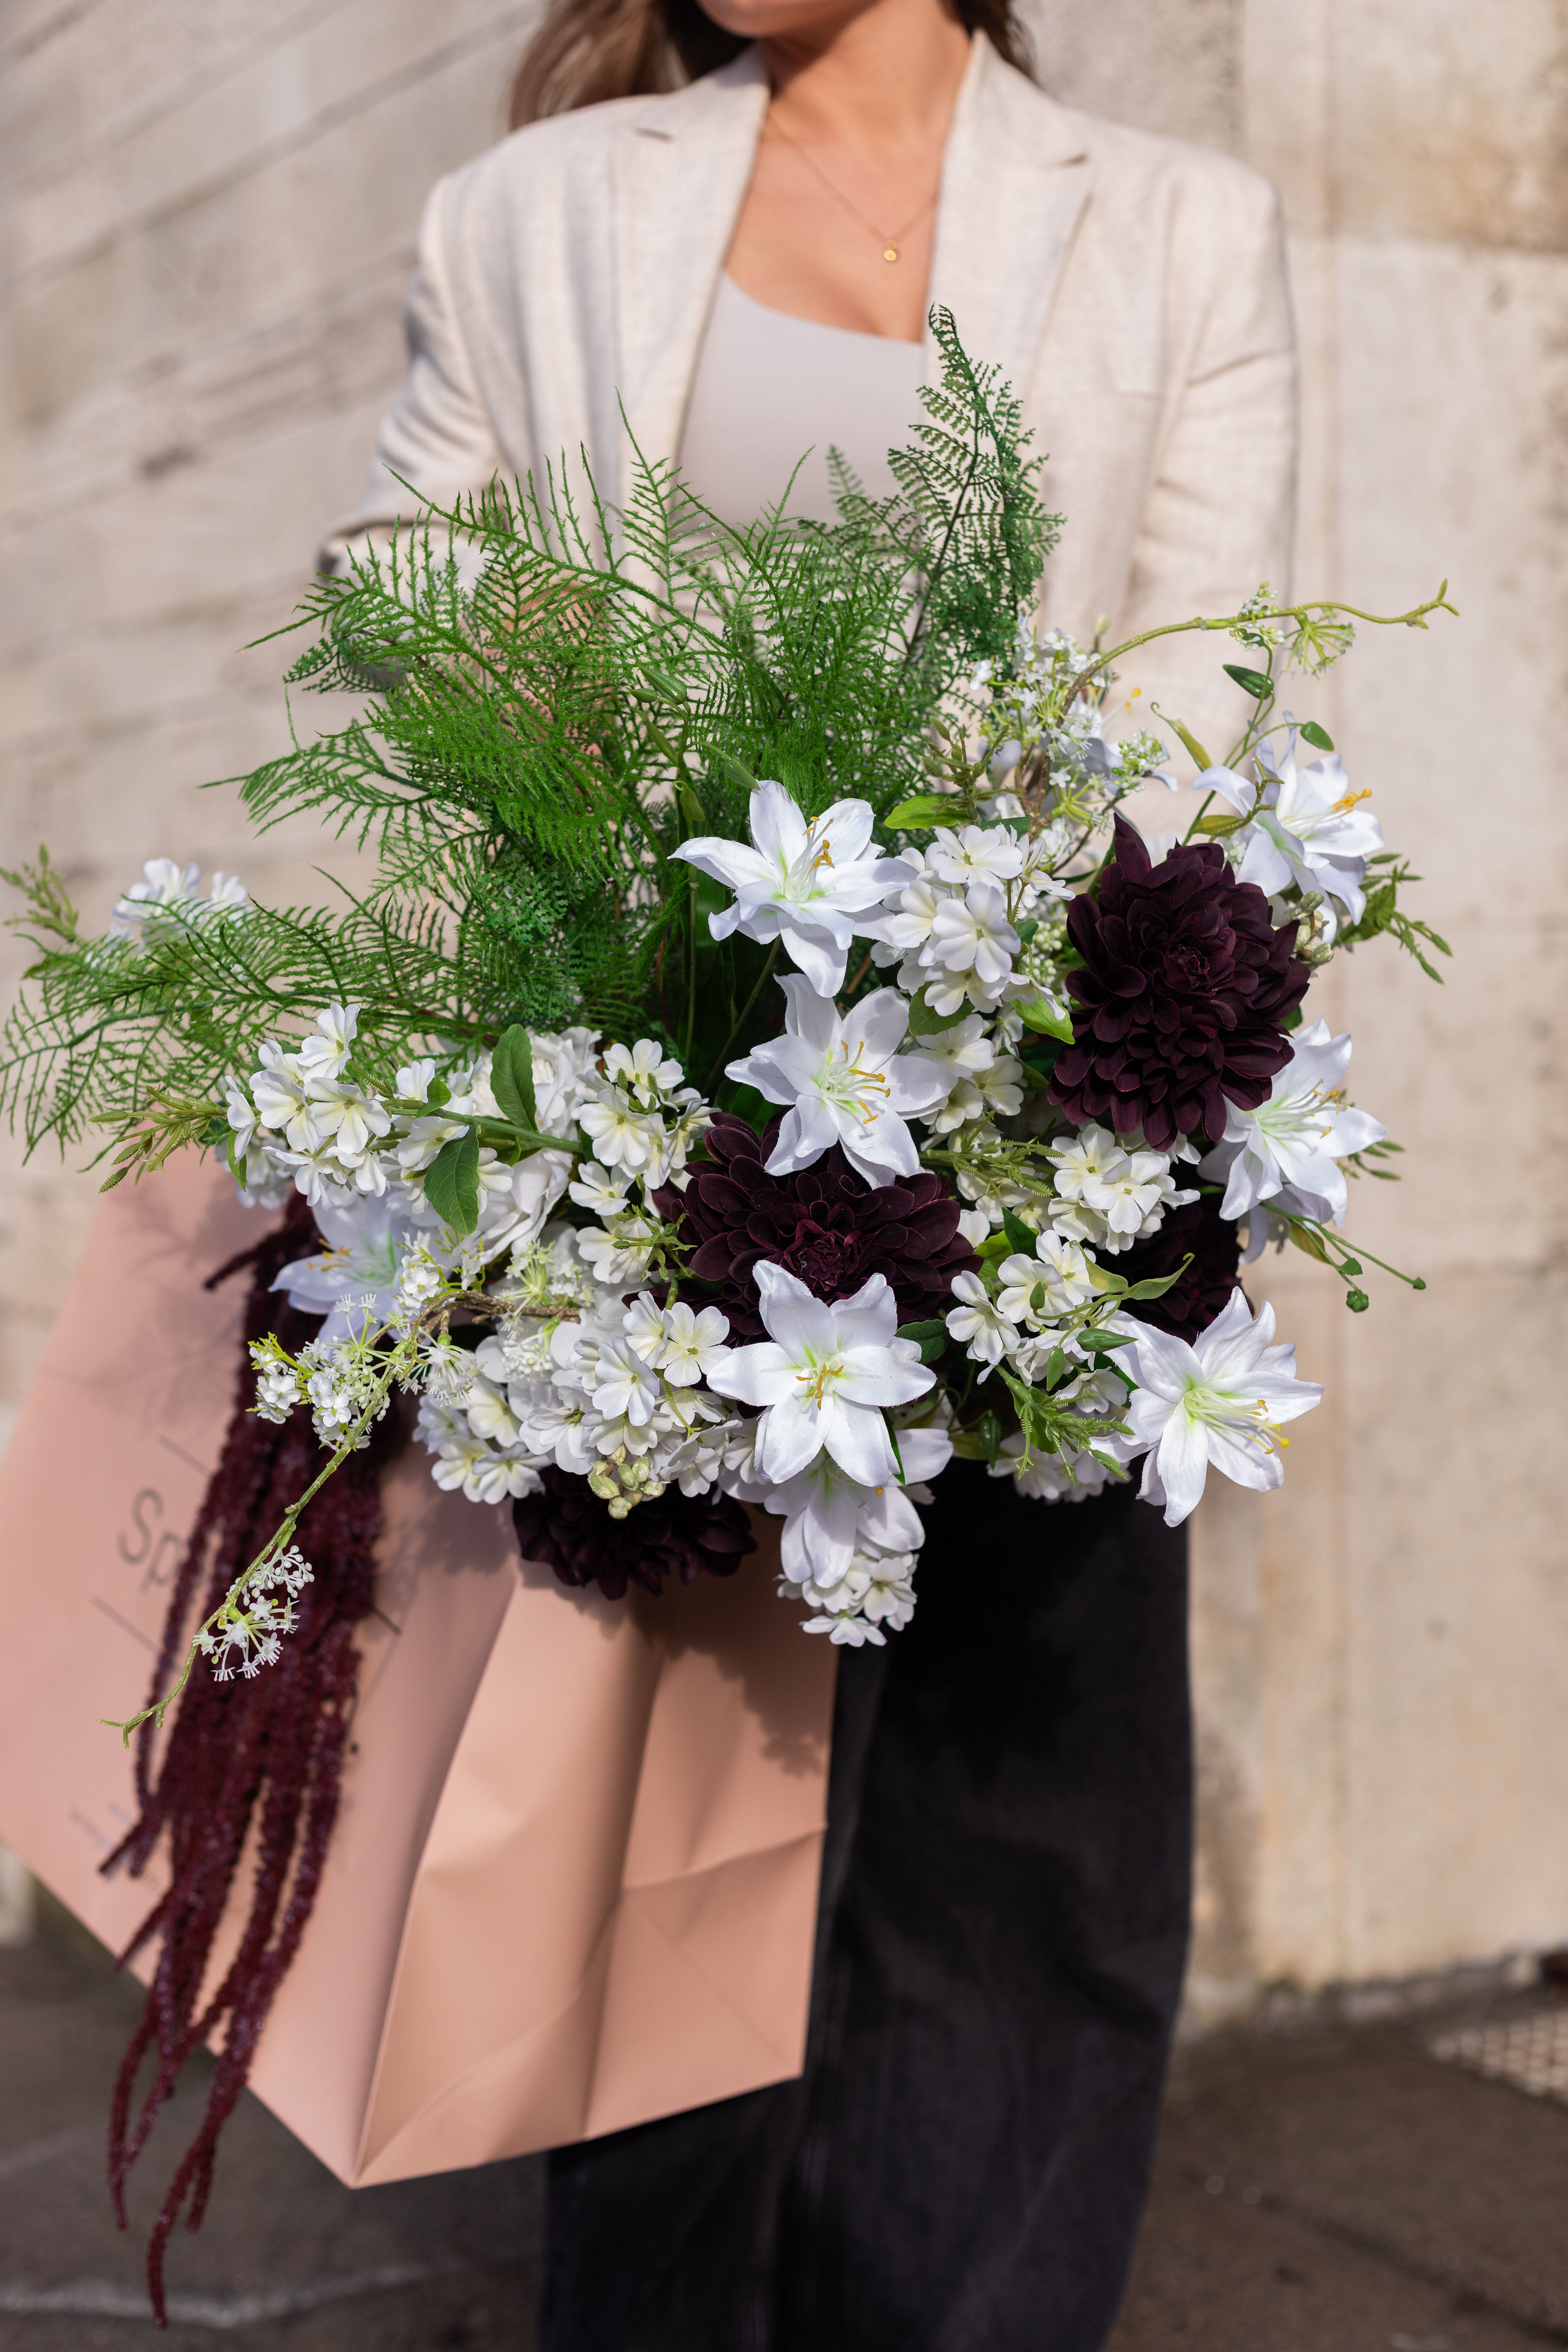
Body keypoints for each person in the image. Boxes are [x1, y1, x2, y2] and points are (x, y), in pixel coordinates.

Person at [324, 0, 1296, 2342]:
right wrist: (553, 675)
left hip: (1036, 1145)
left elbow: (1189, 691)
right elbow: (391, 597)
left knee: (1025, 1848)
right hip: (655, 1159)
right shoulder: (531, 213)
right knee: (656, 1875)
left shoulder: (1179, 228)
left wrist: (983, 1007)